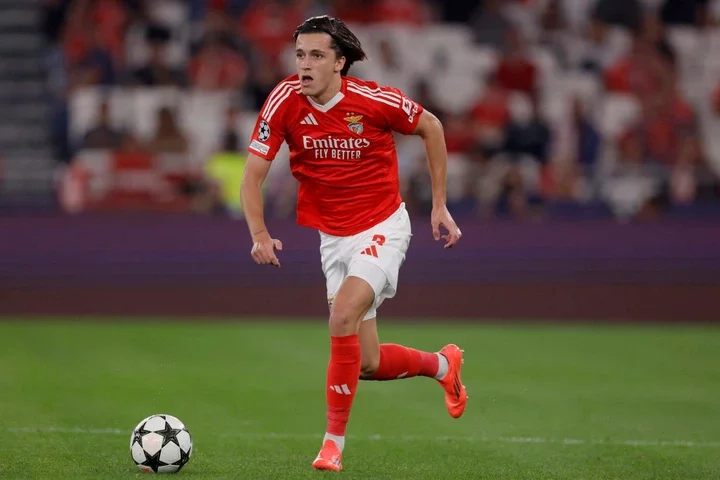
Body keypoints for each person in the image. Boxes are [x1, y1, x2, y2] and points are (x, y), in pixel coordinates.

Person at [239, 15, 467, 472]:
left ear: (340, 63)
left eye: (317, 55)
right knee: (365, 362)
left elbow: (433, 128)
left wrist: (439, 205)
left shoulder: (374, 99)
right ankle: (444, 366)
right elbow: (252, 176)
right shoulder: (283, 101)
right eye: (300, 55)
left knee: (341, 314)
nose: (305, 65)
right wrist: (259, 235)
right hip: (333, 238)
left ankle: (332, 445)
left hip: (383, 226)